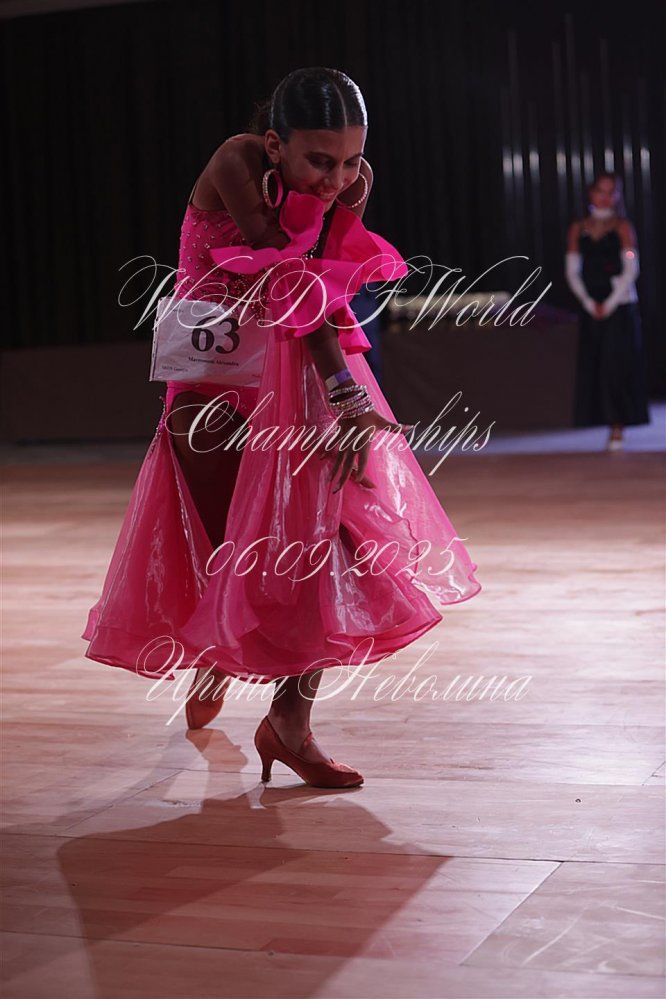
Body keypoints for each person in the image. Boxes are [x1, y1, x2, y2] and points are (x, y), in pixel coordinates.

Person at [81, 67, 482, 789]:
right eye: (320, 161)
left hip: (296, 375)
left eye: (352, 160)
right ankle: (217, 651)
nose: (337, 179)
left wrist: (340, 392)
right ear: (275, 143)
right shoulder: (236, 163)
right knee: (233, 553)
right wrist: (343, 390)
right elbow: (286, 275)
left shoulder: (349, 184)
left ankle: (289, 722)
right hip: (213, 390)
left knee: (326, 544)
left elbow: (323, 287)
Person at [565, 172, 650, 449]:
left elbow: (631, 269)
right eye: (601, 191)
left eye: (611, 192)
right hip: (591, 303)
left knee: (617, 365)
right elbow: (572, 270)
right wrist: (589, 302)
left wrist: (610, 303)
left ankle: (618, 426)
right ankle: (599, 419)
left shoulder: (622, 227)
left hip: (620, 303)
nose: (605, 197)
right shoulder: (579, 228)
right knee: (596, 364)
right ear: (591, 193)